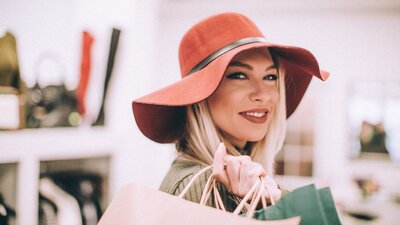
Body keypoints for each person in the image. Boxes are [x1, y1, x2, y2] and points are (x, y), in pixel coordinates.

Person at [132, 12, 328, 212]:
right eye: (239, 75)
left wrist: (273, 197)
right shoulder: (203, 187)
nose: (263, 95)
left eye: (270, 77)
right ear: (200, 96)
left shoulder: (235, 181)